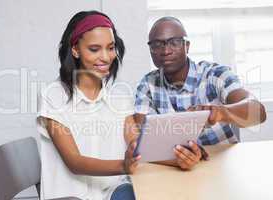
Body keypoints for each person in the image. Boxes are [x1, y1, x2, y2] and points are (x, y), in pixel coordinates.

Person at [133, 16, 267, 170]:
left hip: (224, 166)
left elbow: (258, 113)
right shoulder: (147, 84)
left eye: (174, 42)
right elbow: (142, 140)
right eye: (157, 45)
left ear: (187, 46)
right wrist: (179, 157)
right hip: (173, 170)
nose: (165, 51)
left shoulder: (215, 74)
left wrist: (221, 112)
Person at [37, 11, 140, 200]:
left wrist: (141, 149)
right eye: (94, 49)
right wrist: (124, 166)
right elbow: (74, 162)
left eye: (110, 48)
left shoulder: (119, 97)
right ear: (75, 49)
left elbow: (135, 140)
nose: (106, 57)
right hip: (71, 197)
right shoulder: (54, 96)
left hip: (112, 193)